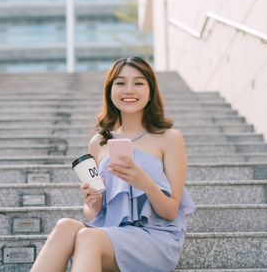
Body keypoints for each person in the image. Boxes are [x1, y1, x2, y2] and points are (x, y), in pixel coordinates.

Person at [31, 57, 196, 272]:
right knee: (65, 227)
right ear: (110, 91)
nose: (129, 90)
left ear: (151, 91)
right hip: (110, 232)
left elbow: (170, 211)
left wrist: (144, 183)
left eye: (138, 83)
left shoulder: (170, 138)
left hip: (155, 236)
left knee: (88, 237)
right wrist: (93, 205)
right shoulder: (99, 142)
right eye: (120, 83)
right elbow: (95, 216)